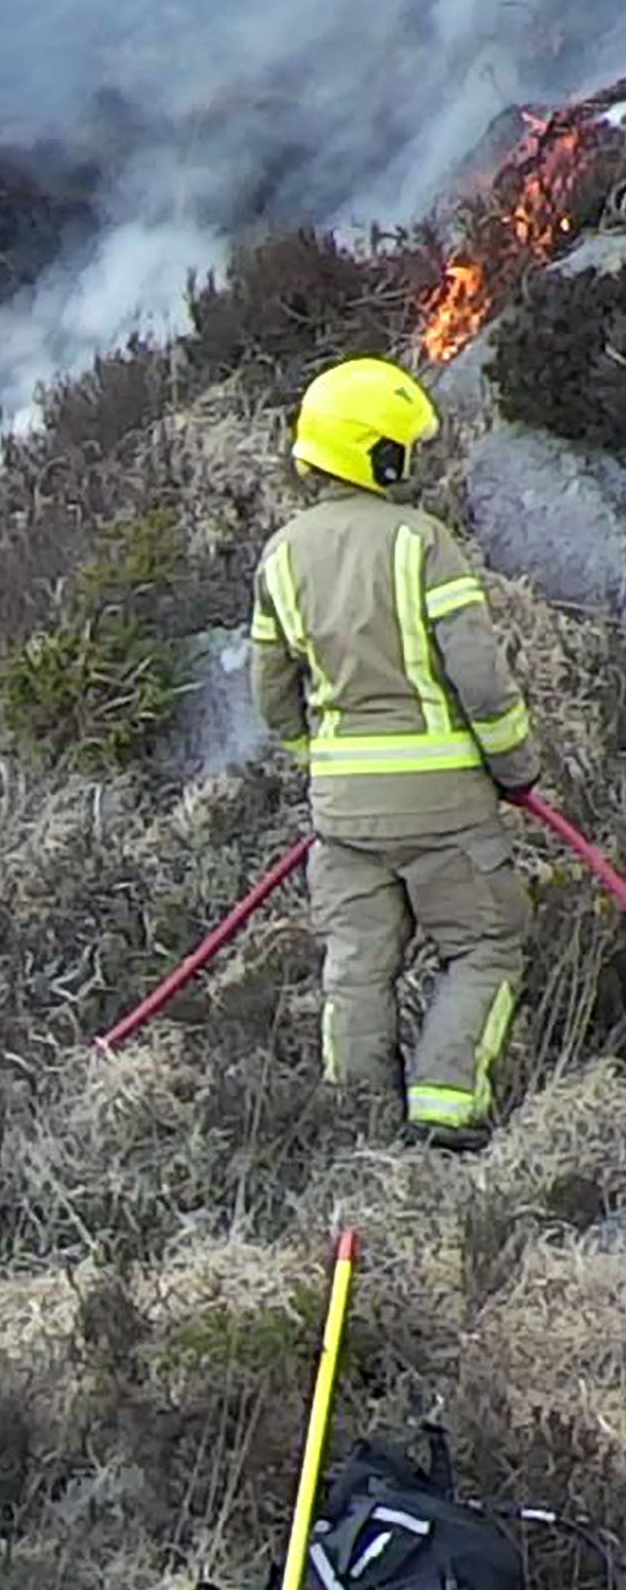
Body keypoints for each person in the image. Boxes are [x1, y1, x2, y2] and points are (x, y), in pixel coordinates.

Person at [250, 355, 542, 1151]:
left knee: (356, 966)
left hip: (343, 815)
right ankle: (446, 1112)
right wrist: (514, 767)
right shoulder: (423, 544)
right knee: (484, 946)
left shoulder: (281, 554)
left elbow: (272, 694)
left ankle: (357, 1130)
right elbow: (479, 676)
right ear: (376, 451)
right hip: (445, 807)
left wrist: (328, 756)